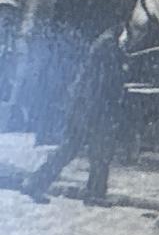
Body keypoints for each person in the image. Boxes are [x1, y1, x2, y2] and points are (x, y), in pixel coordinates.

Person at [21, 21, 127, 206]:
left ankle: (37, 183)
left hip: (87, 103)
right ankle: (92, 193)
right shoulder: (109, 45)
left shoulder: (108, 41)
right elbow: (104, 80)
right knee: (93, 150)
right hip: (92, 105)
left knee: (81, 149)